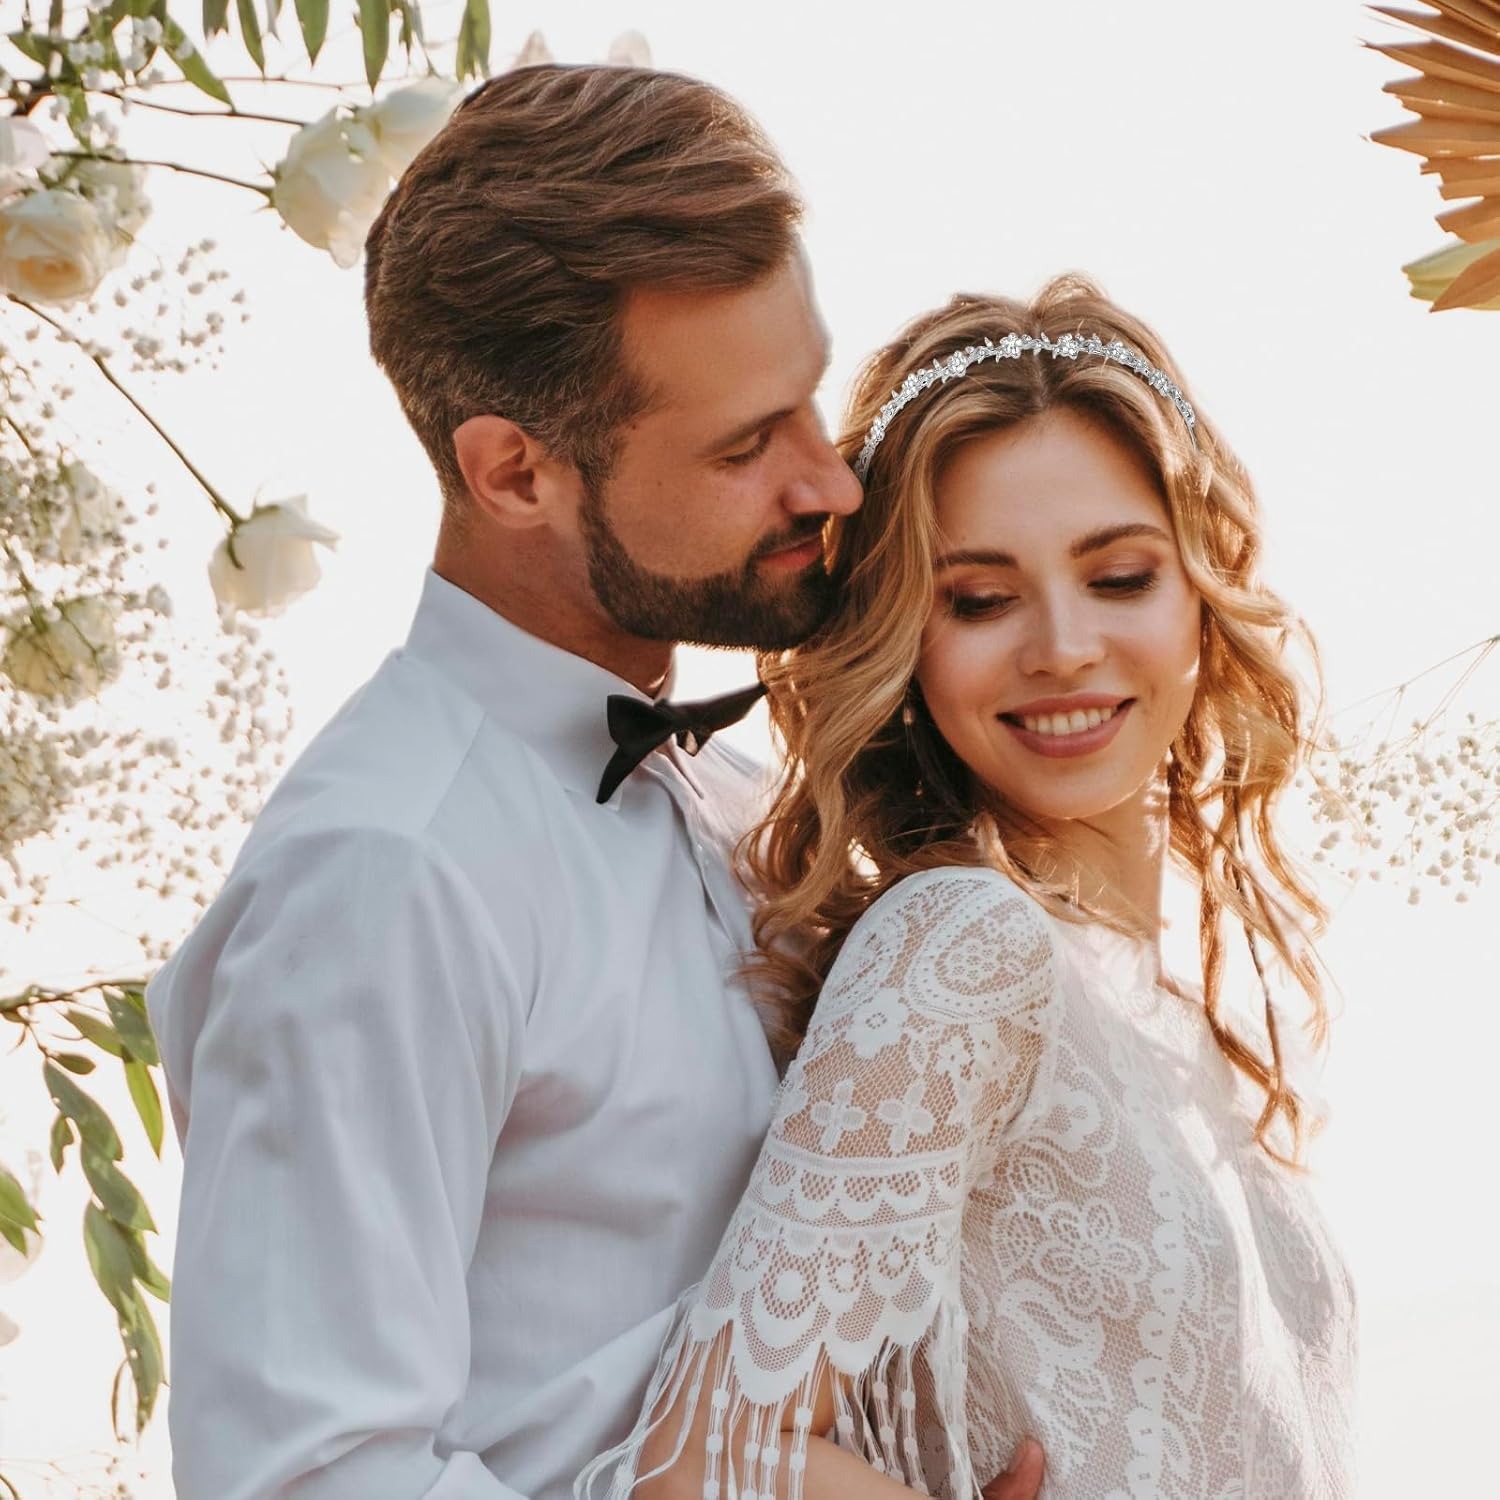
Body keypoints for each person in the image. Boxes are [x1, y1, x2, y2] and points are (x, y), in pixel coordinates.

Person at [144, 63, 1051, 1500]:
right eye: (750, 446)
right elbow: (304, 1479)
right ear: (514, 475)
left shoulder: (742, 793)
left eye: (808, 404)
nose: (832, 483)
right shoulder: (386, 873)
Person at [581, 279, 1358, 1500]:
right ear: (904, 640)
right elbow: (699, 1470)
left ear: (1202, 592)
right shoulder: (962, 944)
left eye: (1119, 576)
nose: (1060, 645)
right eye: (981, 599)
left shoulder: (1186, 1004)